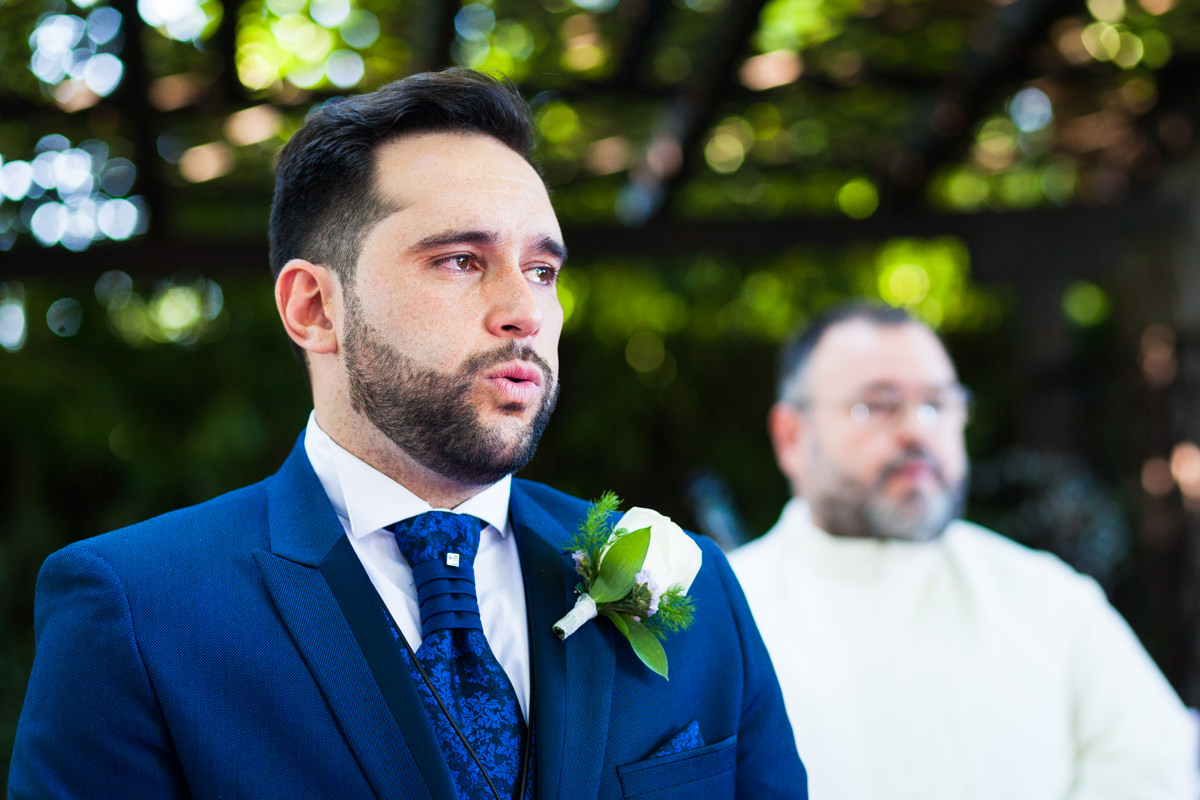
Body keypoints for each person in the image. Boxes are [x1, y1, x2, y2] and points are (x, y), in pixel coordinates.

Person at [9, 69, 806, 800]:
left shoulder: (695, 589)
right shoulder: (138, 609)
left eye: (542, 270)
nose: (525, 311)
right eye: (461, 260)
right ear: (314, 308)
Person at [730, 301, 1196, 800]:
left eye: (937, 405)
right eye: (877, 405)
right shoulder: (724, 619)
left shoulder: (1048, 600)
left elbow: (1153, 770)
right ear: (791, 436)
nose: (916, 429)